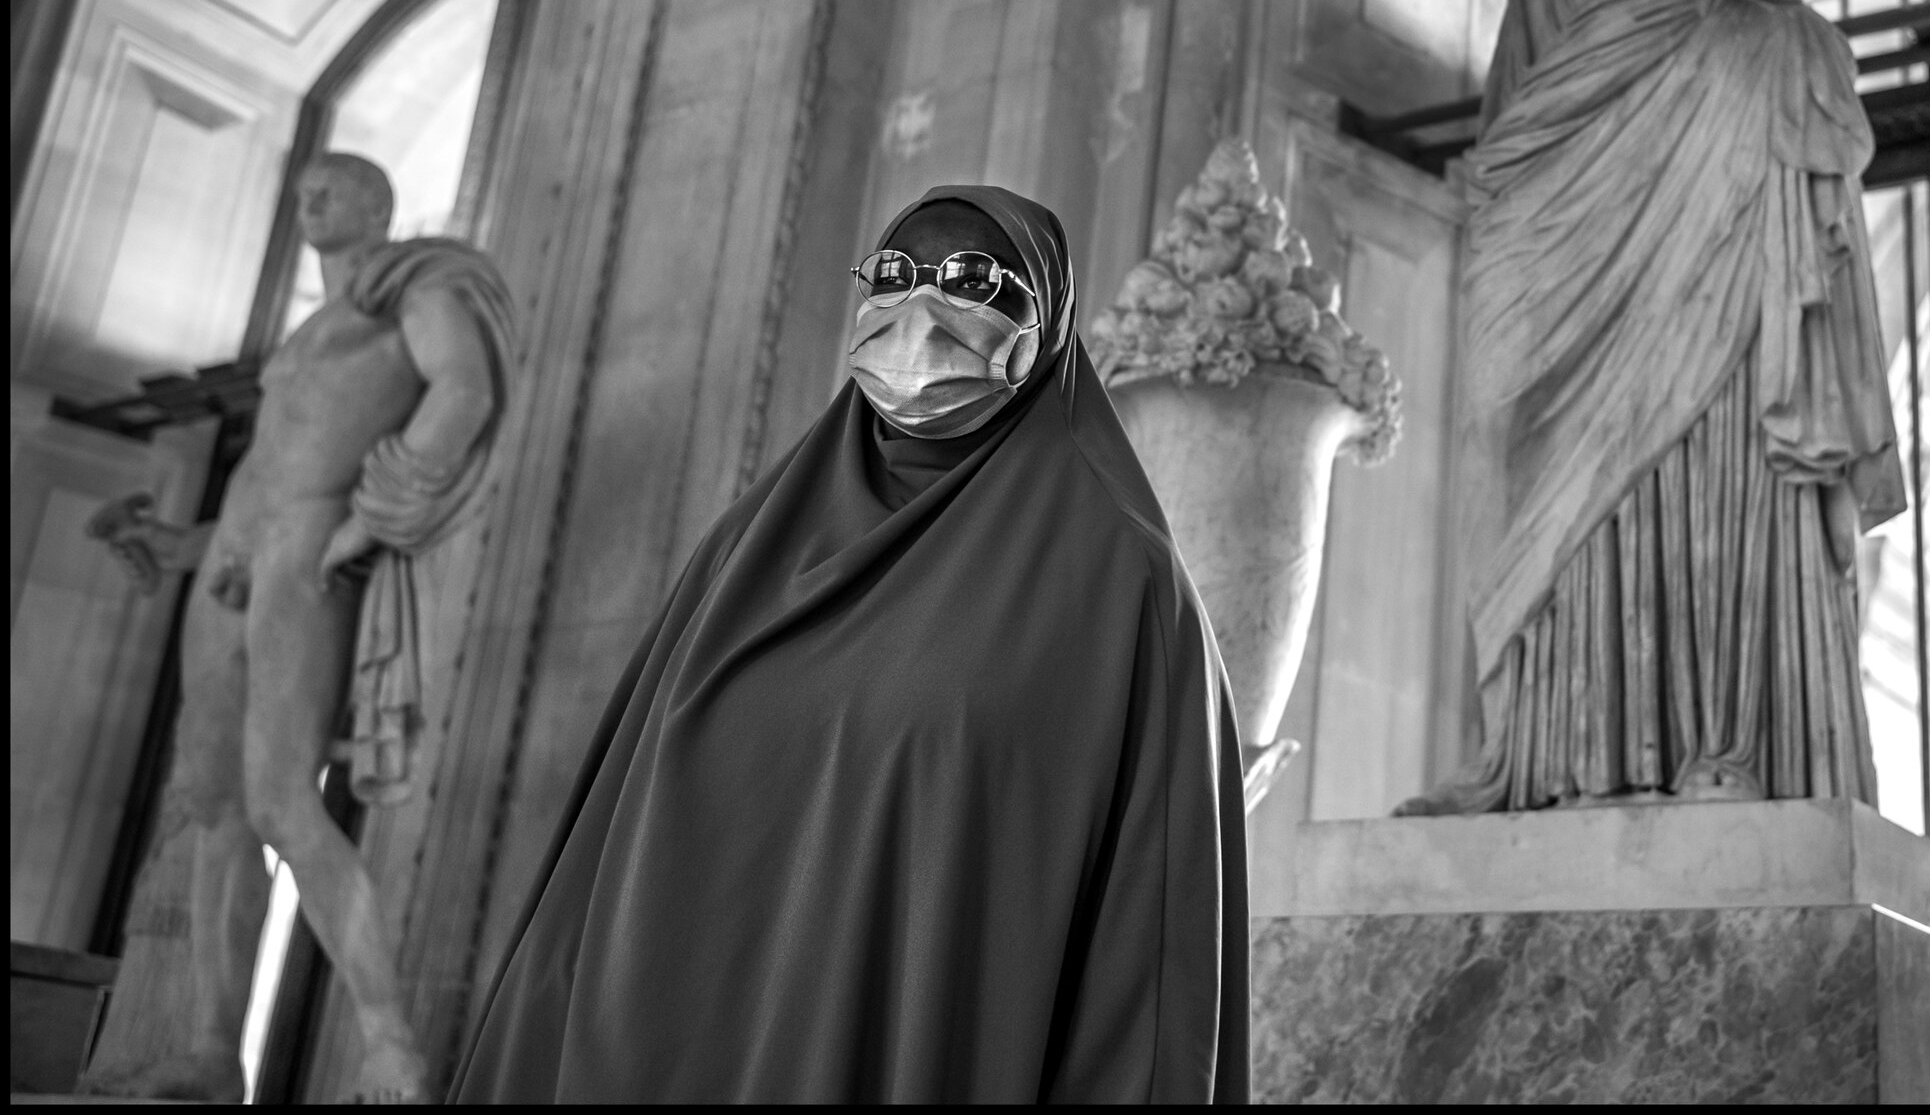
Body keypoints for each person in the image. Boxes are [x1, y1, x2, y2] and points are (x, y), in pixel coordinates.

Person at [1231, 0, 1903, 813]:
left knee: (1713, 436)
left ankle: (1732, 745)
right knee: (1525, 450)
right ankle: (1537, 758)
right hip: (1551, 158)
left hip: (1710, 129)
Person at [454, 186, 1249, 1102]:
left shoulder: (1116, 578)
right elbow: (605, 849)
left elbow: (1149, 941)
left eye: (974, 282)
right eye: (897, 276)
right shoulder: (752, 545)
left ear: (1050, 325)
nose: (923, 309)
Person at [83, 152, 512, 1104]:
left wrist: (377, 511)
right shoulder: (307, 333)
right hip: (234, 566)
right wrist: (178, 542)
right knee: (215, 806)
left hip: (307, 555)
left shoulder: (418, 283)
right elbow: (259, 476)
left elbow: (466, 391)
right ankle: (211, 1048)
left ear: (381, 202)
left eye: (336, 181)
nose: (311, 194)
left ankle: (388, 1043)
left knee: (281, 798)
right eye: (304, 184)